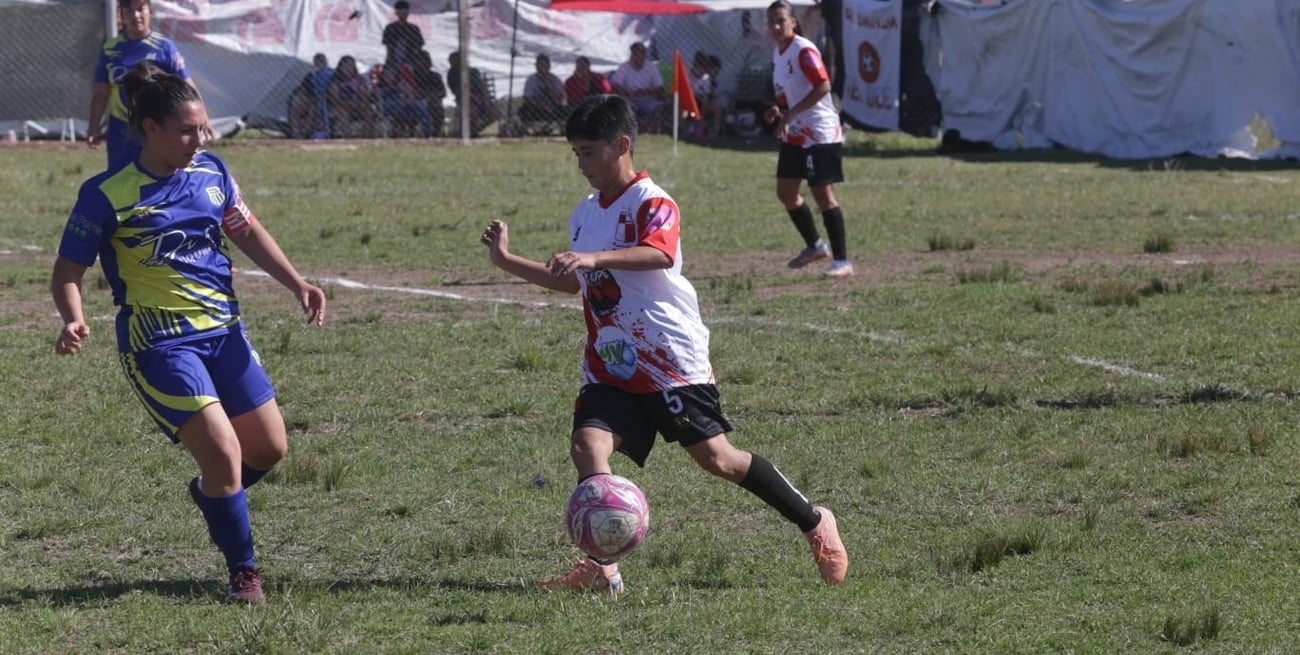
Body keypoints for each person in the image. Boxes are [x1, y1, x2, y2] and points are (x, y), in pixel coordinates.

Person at [479, 94, 848, 594]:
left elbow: (659, 252)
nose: (582, 164)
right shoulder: (584, 214)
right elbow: (573, 283)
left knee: (718, 460)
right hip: (610, 362)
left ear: (622, 145)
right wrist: (507, 261)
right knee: (588, 446)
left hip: (669, 360)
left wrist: (592, 259)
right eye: (576, 154)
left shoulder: (652, 201)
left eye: (589, 151)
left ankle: (813, 520)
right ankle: (601, 566)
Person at [51, 63, 327, 605]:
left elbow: (245, 229)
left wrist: (297, 283)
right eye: (185, 130)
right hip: (158, 343)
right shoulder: (106, 194)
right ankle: (244, 572)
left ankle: (214, 496)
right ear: (149, 128)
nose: (197, 140)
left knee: (269, 449)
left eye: (201, 129)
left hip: (223, 333)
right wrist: (72, 316)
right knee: (224, 453)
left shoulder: (213, 173)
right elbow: (67, 272)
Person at [764, 0, 853, 278]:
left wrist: (791, 115)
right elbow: (786, 95)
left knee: (822, 194)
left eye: (781, 20)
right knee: (786, 192)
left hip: (820, 132)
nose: (777, 26)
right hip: (796, 133)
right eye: (772, 22)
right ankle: (815, 246)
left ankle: (842, 261)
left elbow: (823, 85)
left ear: (793, 21)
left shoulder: (803, 50)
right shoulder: (778, 54)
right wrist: (779, 111)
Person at [88, 0, 208, 167]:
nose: (135, 15)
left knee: (154, 175)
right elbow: (101, 90)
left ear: (150, 11)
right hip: (120, 128)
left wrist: (203, 120)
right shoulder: (110, 49)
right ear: (121, 15)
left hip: (155, 129)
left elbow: (187, 85)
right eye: (128, 11)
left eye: (140, 9)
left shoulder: (165, 48)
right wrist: (94, 126)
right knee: (120, 180)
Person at [609, 42, 668, 133]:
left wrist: (647, 91)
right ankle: (632, 129)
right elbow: (614, 85)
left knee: (658, 107)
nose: (637, 56)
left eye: (640, 53)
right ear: (631, 54)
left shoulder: (652, 68)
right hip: (629, 98)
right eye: (635, 54)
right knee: (624, 106)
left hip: (648, 98)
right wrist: (626, 92)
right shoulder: (624, 67)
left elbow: (660, 88)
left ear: (644, 55)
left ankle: (647, 128)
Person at [447, 50, 500, 137]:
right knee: (472, 111)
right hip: (465, 99)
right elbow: (455, 90)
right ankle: (471, 132)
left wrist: (486, 97)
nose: (450, 62)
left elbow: (481, 85)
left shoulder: (473, 71)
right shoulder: (452, 73)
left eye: (453, 60)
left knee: (495, 114)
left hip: (479, 97)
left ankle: (476, 130)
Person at [326, 55, 378, 138]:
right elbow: (334, 98)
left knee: (369, 110)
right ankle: (349, 138)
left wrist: (361, 103)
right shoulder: (335, 80)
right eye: (345, 65)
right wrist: (348, 104)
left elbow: (364, 94)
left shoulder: (358, 79)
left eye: (350, 65)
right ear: (340, 67)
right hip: (340, 106)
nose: (348, 68)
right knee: (343, 113)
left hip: (357, 104)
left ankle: (367, 137)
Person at [377, 63, 433, 138]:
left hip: (405, 107)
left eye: (391, 73)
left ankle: (427, 134)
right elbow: (377, 98)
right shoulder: (380, 86)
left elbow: (410, 95)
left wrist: (407, 99)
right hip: (390, 108)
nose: (389, 76)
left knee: (421, 106)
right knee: (390, 103)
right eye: (386, 74)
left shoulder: (402, 83)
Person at [287, 53, 333, 139]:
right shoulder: (311, 75)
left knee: (313, 109)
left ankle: (305, 133)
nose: (319, 63)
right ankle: (296, 133)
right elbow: (304, 89)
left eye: (321, 61)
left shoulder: (332, 73)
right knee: (295, 105)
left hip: (326, 101)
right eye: (317, 61)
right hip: (313, 99)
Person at [518, 53, 566, 126]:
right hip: (536, 107)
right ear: (536, 66)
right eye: (540, 65)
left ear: (549, 66)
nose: (542, 68)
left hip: (552, 107)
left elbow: (560, 97)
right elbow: (527, 98)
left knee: (565, 110)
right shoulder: (531, 80)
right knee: (524, 110)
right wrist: (542, 106)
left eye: (545, 65)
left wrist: (550, 85)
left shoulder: (555, 79)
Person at [410, 50, 447, 136]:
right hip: (416, 101)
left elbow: (443, 92)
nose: (422, 64)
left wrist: (432, 95)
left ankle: (434, 133)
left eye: (424, 61)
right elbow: (410, 91)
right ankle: (410, 132)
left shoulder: (435, 76)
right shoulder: (412, 76)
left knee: (437, 108)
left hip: (432, 101)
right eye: (419, 61)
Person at [382, 0, 425, 69]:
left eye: (405, 11)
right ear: (396, 12)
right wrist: (390, 62)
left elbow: (418, 47)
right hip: (393, 62)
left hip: (411, 61)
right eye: (400, 11)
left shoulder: (414, 29)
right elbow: (389, 47)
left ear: (408, 12)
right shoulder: (390, 28)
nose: (403, 13)